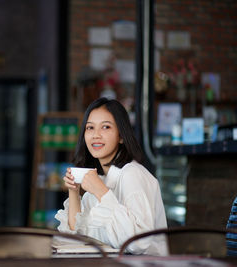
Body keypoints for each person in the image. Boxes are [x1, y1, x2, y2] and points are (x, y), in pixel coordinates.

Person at [54, 97, 167, 255]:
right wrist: (73, 192)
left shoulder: (131, 174)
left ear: (121, 136)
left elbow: (138, 243)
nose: (96, 135)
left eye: (105, 127)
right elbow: (77, 235)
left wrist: (102, 192)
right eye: (90, 128)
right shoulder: (101, 178)